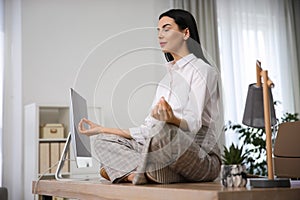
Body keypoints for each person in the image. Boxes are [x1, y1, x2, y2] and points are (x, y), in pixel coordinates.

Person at [78, 9, 223, 185]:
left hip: (199, 153)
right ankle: (149, 174)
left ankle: (131, 172)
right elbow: (146, 129)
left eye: (166, 29)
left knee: (164, 133)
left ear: (185, 33)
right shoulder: (165, 81)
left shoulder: (203, 70)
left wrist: (171, 119)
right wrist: (102, 129)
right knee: (103, 141)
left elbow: (194, 123)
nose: (160, 35)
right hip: (161, 150)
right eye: (158, 30)